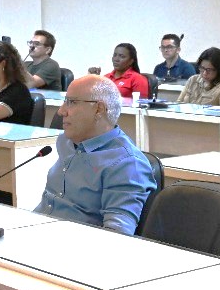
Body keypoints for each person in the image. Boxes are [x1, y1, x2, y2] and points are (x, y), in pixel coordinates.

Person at [34, 75, 155, 234]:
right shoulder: (66, 142)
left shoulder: (127, 164)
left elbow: (117, 235)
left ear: (99, 109)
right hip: (36, 230)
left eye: (72, 102)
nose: (61, 111)